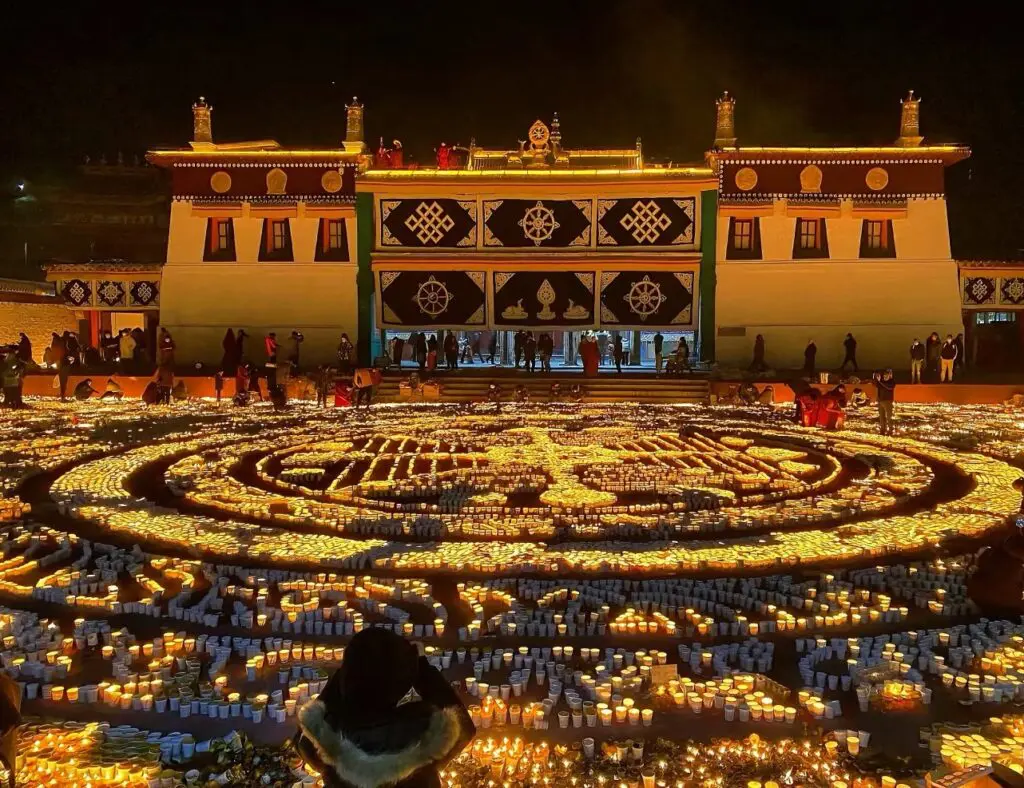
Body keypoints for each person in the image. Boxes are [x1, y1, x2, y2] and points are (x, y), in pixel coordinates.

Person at [296, 628, 474, 788]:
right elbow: (462, 725)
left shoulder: (326, 738)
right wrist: (422, 668)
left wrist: (347, 673)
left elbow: (305, 735)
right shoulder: (422, 733)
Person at [875, 369, 896, 435]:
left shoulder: (892, 382)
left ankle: (890, 430)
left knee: (889, 417)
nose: (885, 377)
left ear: (889, 376)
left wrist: (880, 382)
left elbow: (889, 387)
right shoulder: (881, 382)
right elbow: (877, 385)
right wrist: (877, 380)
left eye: (887, 376)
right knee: (881, 417)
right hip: (880, 401)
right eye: (884, 376)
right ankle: (882, 430)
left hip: (888, 401)